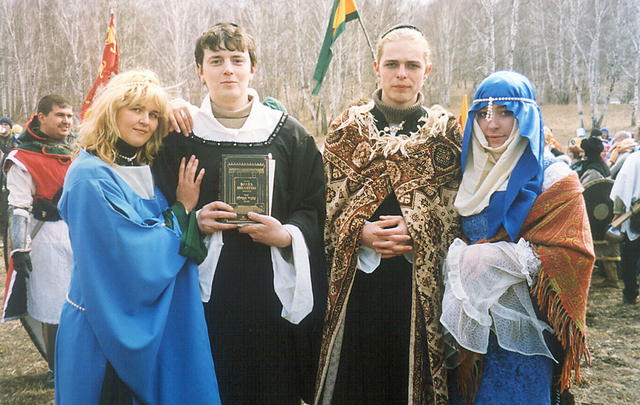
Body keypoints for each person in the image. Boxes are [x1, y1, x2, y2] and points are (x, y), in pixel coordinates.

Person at [153, 23, 326, 404]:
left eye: (237, 59)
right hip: (204, 289)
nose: (228, 69)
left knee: (269, 387)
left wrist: (288, 234)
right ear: (200, 71)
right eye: (216, 61)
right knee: (212, 383)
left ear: (253, 68)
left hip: (270, 286)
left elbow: (314, 203)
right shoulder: (178, 136)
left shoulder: (288, 134)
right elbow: (154, 208)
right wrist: (194, 220)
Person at [55, 70, 221, 404]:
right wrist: (183, 209)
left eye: (154, 114)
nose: (146, 121)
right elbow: (130, 255)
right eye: (136, 110)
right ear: (111, 110)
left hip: (144, 317)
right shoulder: (90, 176)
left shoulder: (139, 165)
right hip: (103, 329)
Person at [316, 24, 462, 404]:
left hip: (415, 285)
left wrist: (417, 227)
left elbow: (455, 214)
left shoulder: (446, 135)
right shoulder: (347, 129)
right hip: (357, 284)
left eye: (412, 65)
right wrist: (359, 232)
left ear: (427, 71)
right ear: (376, 67)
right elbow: (326, 208)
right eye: (392, 64)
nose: (401, 74)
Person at [440, 71, 594, 405]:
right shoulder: (465, 172)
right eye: (483, 114)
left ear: (526, 117)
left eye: (505, 113)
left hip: (525, 330)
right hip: (469, 327)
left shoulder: (554, 176)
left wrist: (496, 258)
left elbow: (574, 253)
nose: (491, 125)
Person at [2, 95, 74, 381]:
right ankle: (57, 368)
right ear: (41, 117)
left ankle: (79, 362)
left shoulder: (75, 151)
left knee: (81, 301)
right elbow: (18, 206)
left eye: (69, 116)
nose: (66, 121)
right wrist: (20, 248)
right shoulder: (22, 157)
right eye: (59, 115)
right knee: (53, 305)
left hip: (77, 234)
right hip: (45, 238)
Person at [610, 150, 640, 305]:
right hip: (635, 214)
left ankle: (630, 293)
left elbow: (621, 190)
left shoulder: (634, 159)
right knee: (630, 255)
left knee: (630, 256)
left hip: (635, 213)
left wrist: (617, 213)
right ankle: (630, 292)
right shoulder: (633, 159)